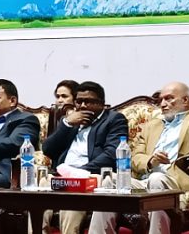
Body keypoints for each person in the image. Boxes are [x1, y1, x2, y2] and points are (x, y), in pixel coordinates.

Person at [88, 82, 189, 234]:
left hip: (176, 182)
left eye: (169, 98)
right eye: (161, 100)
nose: (163, 104)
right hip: (144, 181)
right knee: (109, 181)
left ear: (185, 100)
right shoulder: (151, 126)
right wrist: (151, 161)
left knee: (157, 180)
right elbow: (135, 157)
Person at [42, 81, 128, 234]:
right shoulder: (71, 121)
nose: (82, 106)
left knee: (73, 197)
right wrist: (67, 124)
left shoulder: (114, 120)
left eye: (88, 102)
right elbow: (48, 149)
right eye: (79, 101)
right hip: (62, 176)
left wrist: (77, 173)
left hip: (90, 177)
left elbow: (111, 154)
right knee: (39, 190)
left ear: (101, 103)